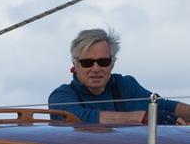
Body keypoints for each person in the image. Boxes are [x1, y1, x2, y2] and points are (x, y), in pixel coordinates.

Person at [48, 28, 190, 124]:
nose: (96, 68)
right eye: (87, 63)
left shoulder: (125, 85)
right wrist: (145, 118)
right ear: (75, 64)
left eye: (103, 62)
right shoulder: (61, 96)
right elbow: (77, 118)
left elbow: (163, 106)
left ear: (112, 64)